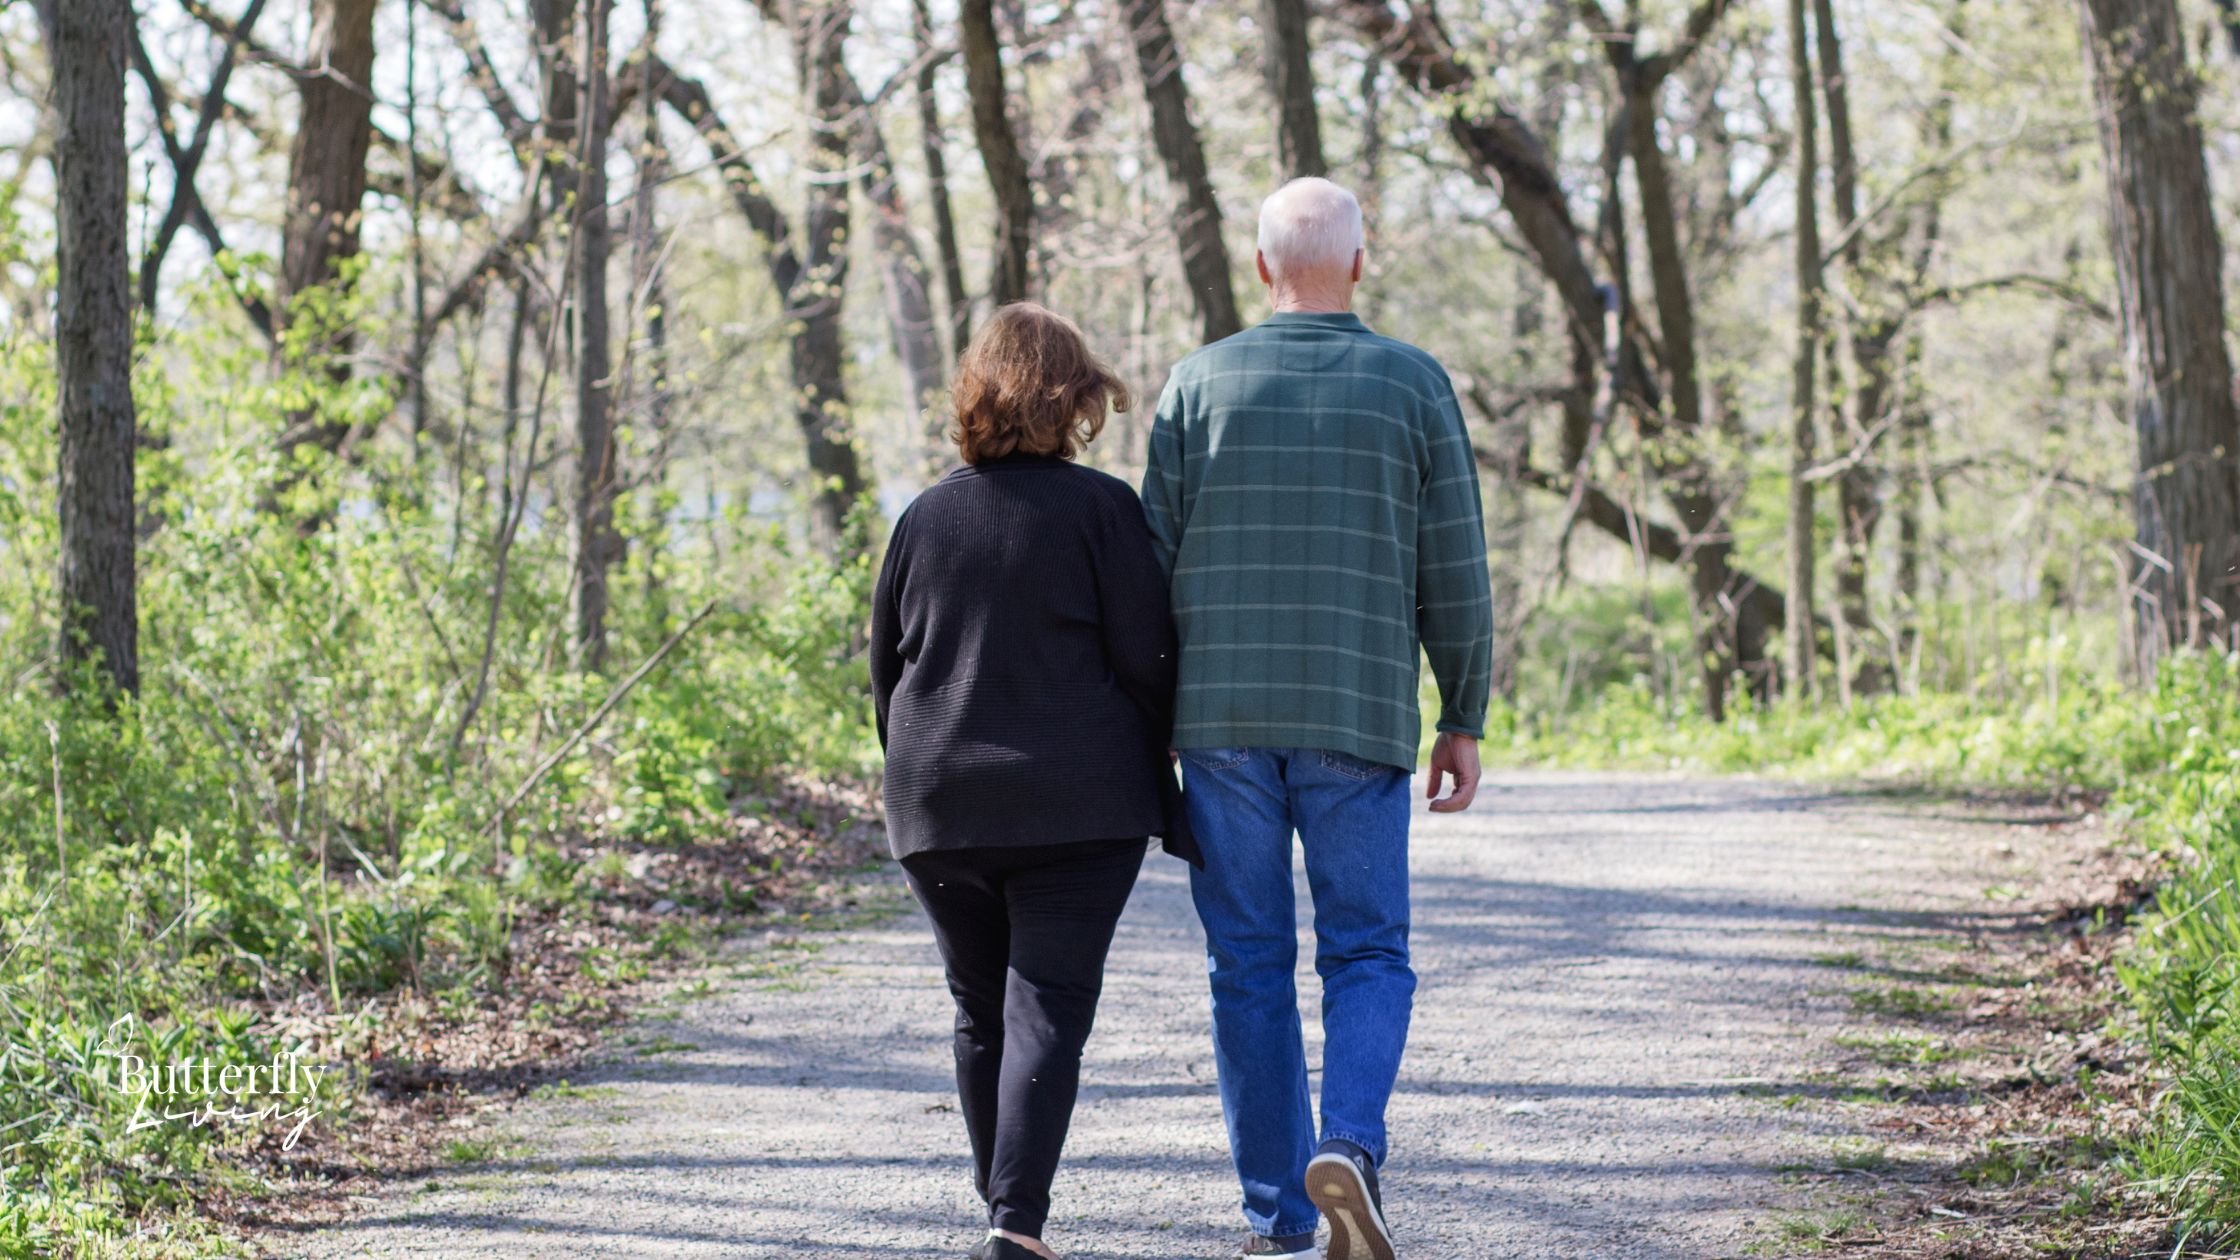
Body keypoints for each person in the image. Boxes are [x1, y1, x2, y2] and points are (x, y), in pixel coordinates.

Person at [1139, 177, 1495, 1260]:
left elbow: (1148, 567)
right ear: (1358, 263)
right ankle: (1346, 1146)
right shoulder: (1412, 383)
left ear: (1261, 267)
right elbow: (1455, 565)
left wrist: (1149, 712)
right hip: (1356, 707)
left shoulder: (1197, 384)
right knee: (1367, 951)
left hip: (1218, 720)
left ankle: (1281, 1215)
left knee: (1246, 962)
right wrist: (1462, 710)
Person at [870, 301, 1196, 1260]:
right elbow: (1147, 655)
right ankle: (1015, 1223)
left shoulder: (922, 517)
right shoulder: (1102, 510)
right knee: (1045, 1002)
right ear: (1077, 398)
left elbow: (886, 672)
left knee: (981, 1009)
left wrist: (921, 769)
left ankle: (1005, 1215)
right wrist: (1170, 742)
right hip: (1077, 802)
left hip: (937, 800)